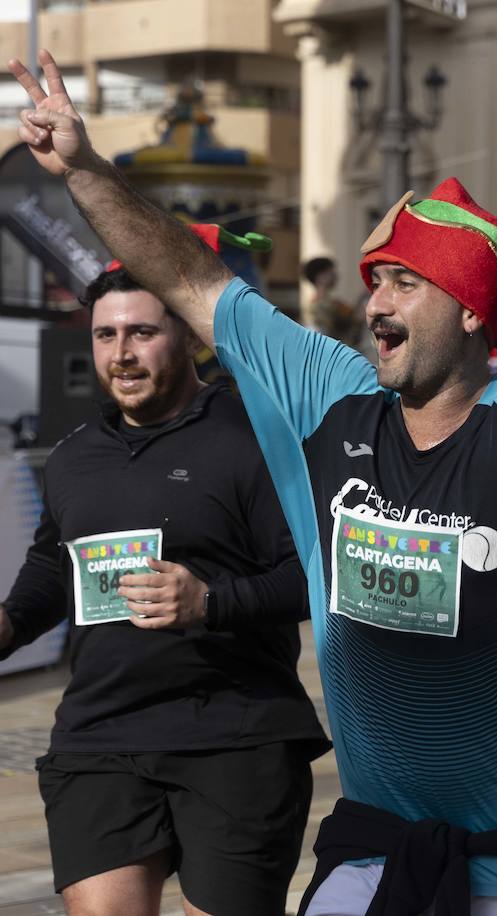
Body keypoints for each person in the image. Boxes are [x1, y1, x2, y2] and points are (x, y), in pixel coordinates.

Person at [11, 51, 497, 915]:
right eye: (374, 282)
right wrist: (87, 171)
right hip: (372, 848)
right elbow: (189, 276)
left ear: (473, 312)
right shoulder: (330, 399)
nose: (377, 304)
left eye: (406, 282)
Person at [0, 243, 328, 916]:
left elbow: (314, 576)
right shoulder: (73, 456)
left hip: (235, 737)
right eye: (105, 335)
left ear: (185, 335)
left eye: (142, 332)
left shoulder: (251, 437)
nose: (121, 353)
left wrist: (209, 602)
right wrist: (7, 624)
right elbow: (51, 566)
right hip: (102, 736)